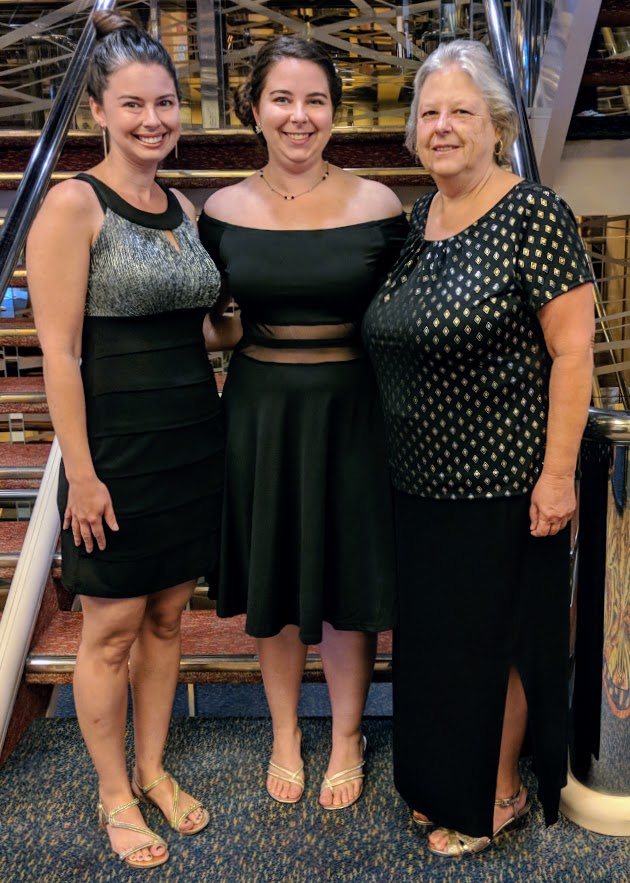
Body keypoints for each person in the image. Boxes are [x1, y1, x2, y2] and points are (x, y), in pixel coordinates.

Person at [363, 39, 595, 857]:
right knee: (437, 647)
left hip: (504, 480)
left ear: (495, 123)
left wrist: (558, 475)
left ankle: (497, 793)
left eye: (461, 110)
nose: (442, 126)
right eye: (429, 113)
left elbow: (573, 352)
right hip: (418, 484)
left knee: (494, 642)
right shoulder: (418, 218)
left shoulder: (533, 213)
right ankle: (441, 781)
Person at [26, 11, 223, 869]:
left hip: (191, 440)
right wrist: (84, 474)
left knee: (171, 616)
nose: (154, 120)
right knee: (109, 627)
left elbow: (201, 330)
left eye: (167, 103)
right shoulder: (74, 202)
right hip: (116, 449)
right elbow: (61, 353)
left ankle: (150, 767)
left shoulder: (182, 204)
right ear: (98, 112)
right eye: (134, 105)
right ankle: (113, 792)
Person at [199, 36, 407, 810]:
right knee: (274, 572)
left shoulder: (379, 205)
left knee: (350, 577)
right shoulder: (219, 211)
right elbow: (220, 323)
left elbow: (400, 320)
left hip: (353, 412)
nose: (299, 115)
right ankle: (286, 728)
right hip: (259, 412)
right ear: (255, 110)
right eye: (282, 98)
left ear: (334, 112)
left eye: (315, 99)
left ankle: (348, 732)